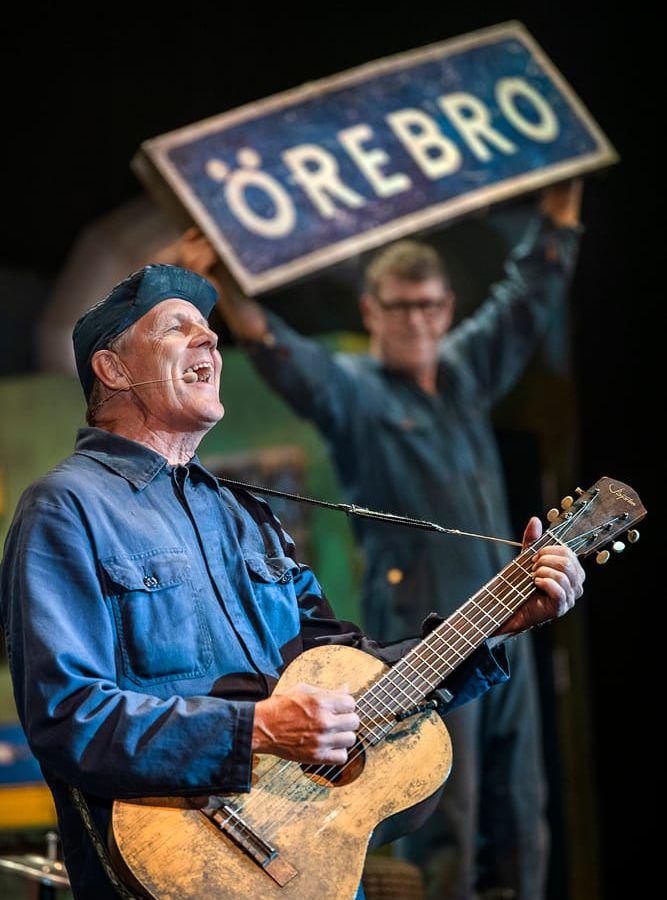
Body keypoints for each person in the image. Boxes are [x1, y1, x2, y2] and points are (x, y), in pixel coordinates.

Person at [0, 265, 584, 899]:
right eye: (178, 328)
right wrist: (257, 729)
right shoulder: (65, 507)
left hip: (312, 871)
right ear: (112, 370)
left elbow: (351, 676)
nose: (211, 341)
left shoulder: (248, 517)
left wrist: (497, 622)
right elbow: (68, 719)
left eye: (210, 330)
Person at [175, 179, 583, 899]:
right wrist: (221, 285)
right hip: (414, 640)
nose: (416, 321)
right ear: (371, 311)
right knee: (439, 819)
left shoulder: (461, 374)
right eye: (398, 307)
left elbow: (525, 302)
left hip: (500, 630)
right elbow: (281, 352)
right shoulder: (355, 390)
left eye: (428, 305)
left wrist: (558, 213)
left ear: (445, 308)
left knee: (522, 812)